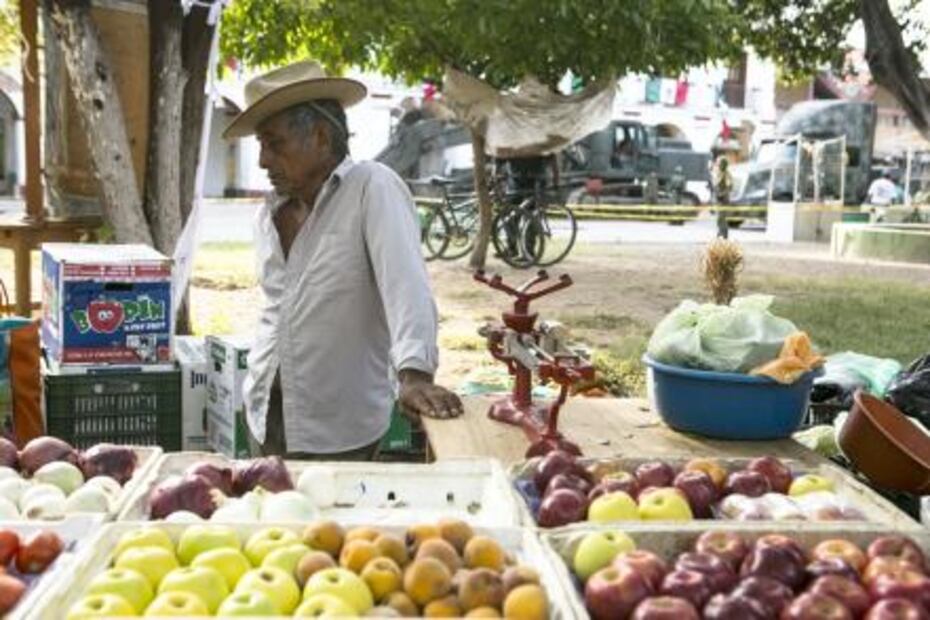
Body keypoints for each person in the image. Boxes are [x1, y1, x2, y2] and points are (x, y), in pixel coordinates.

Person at [222, 61, 463, 460]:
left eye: (274, 144)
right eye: (261, 146)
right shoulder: (270, 212)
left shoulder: (372, 187)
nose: (263, 160)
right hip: (265, 411)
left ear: (319, 136)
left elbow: (407, 288)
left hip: (339, 427)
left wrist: (415, 374)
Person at [713, 156, 733, 238]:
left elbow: (729, 186)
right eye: (717, 163)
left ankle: (724, 235)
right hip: (718, 199)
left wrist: (722, 194)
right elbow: (716, 184)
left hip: (723, 199)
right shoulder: (718, 173)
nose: (718, 165)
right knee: (719, 218)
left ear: (723, 164)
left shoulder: (726, 174)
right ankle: (720, 233)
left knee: (721, 218)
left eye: (719, 163)